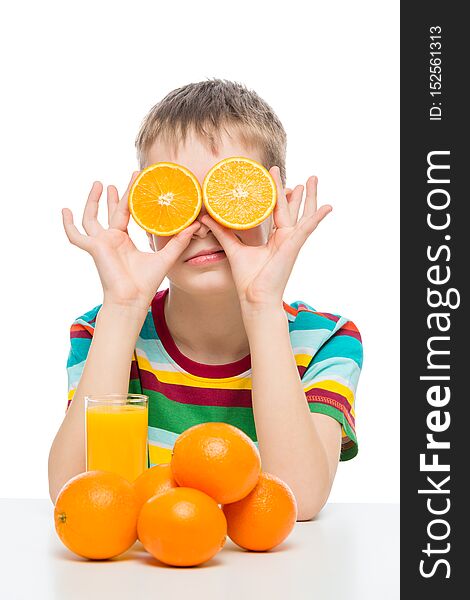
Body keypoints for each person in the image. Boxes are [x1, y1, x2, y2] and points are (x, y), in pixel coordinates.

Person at [48, 78, 363, 520]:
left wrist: (262, 306)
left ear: (277, 208)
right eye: (177, 197)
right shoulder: (102, 332)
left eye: (229, 195)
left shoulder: (326, 340)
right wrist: (122, 308)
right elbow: (75, 499)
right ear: (146, 213)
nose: (202, 224)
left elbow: (299, 499)